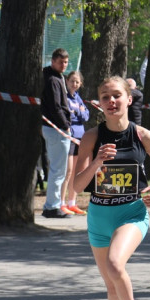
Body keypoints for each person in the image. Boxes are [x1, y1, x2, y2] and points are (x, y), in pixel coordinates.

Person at [72, 76, 150, 300]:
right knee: (111, 286)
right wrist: (98, 161)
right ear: (99, 104)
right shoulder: (91, 137)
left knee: (116, 265)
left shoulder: (143, 136)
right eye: (105, 97)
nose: (111, 101)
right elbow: (76, 186)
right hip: (99, 217)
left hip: (131, 214)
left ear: (129, 99)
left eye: (116, 95)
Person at [41, 48, 72, 218]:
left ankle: (53, 204)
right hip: (55, 129)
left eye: (66, 62)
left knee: (58, 168)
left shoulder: (57, 77)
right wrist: (65, 125)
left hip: (54, 127)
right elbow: (56, 106)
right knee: (58, 169)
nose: (63, 65)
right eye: (60, 62)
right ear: (53, 61)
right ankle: (52, 206)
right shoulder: (53, 79)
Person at [62, 70, 89, 215]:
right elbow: (68, 114)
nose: (74, 84)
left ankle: (72, 202)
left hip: (80, 137)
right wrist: (76, 112)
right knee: (68, 171)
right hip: (69, 137)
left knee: (76, 172)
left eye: (77, 82)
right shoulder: (64, 97)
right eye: (72, 81)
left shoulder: (78, 98)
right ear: (67, 81)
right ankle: (61, 202)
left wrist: (78, 111)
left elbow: (85, 115)